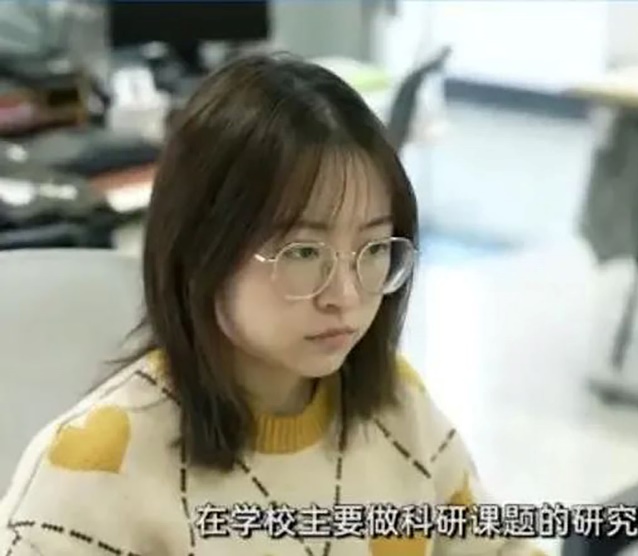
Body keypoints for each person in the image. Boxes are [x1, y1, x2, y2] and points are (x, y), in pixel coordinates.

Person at [0, 54, 547, 555]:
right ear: (202, 248)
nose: (346, 296)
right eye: (304, 252)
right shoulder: (92, 477)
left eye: (375, 248)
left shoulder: (395, 405)